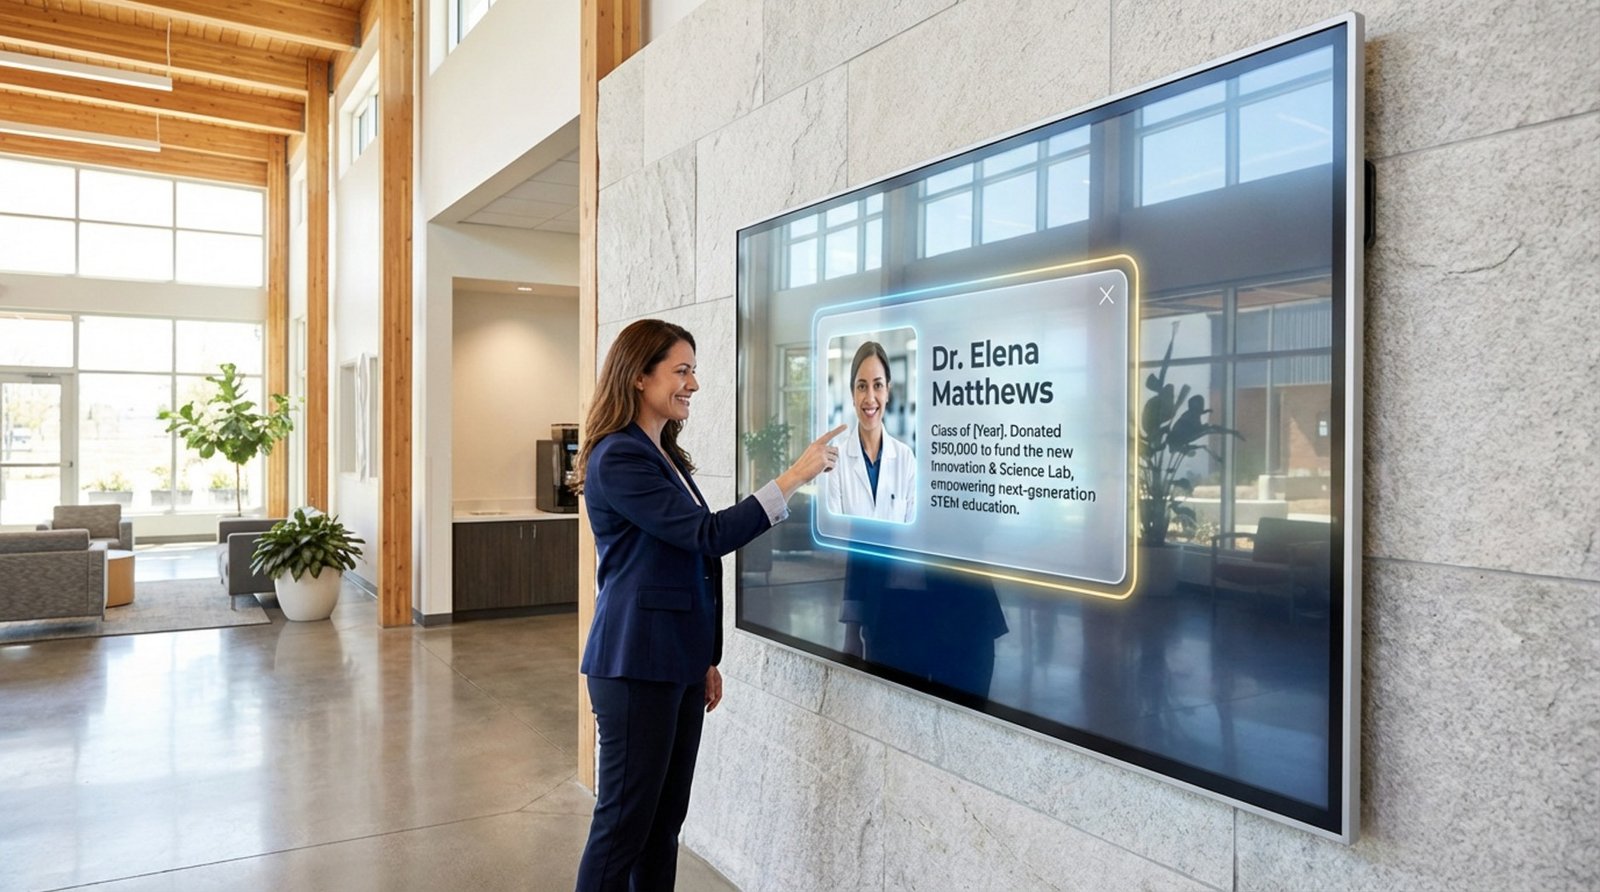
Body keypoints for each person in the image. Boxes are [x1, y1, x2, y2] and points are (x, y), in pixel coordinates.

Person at [573, 318, 844, 892]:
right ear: (639, 376)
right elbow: (706, 536)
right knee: (623, 826)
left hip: (674, 663)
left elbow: (682, 566)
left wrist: (704, 658)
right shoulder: (619, 457)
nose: (694, 384)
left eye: (693, 370)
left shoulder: (663, 453)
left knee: (662, 825)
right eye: (682, 370)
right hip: (634, 668)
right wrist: (794, 476)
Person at [824, 340, 916, 523]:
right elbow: (835, 539)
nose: (870, 398)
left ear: (888, 391)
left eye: (878, 385)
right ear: (852, 394)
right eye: (862, 386)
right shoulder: (836, 463)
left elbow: (912, 536)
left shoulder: (905, 458)